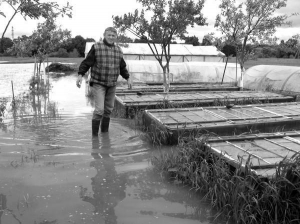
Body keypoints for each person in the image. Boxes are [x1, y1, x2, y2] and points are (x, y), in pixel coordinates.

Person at [76, 27, 131, 136]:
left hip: (112, 84)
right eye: (109, 35)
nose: (111, 37)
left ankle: (104, 134)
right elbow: (87, 62)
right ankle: (95, 137)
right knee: (99, 110)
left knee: (108, 110)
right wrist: (80, 75)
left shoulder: (119, 50)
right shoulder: (97, 47)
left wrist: (128, 78)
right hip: (98, 83)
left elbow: (122, 67)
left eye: (113, 35)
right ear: (104, 35)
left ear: (116, 37)